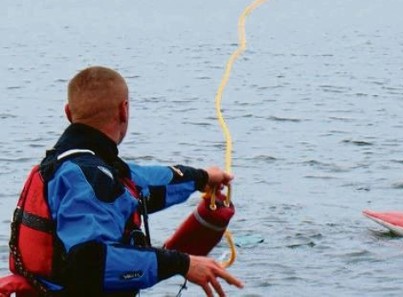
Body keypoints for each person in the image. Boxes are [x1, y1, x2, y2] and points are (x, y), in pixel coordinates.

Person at [4, 66, 244, 297]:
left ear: (68, 113)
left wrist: (201, 178)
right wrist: (183, 264)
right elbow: (90, 261)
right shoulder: (90, 176)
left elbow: (143, 183)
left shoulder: (73, 165)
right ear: (124, 110)